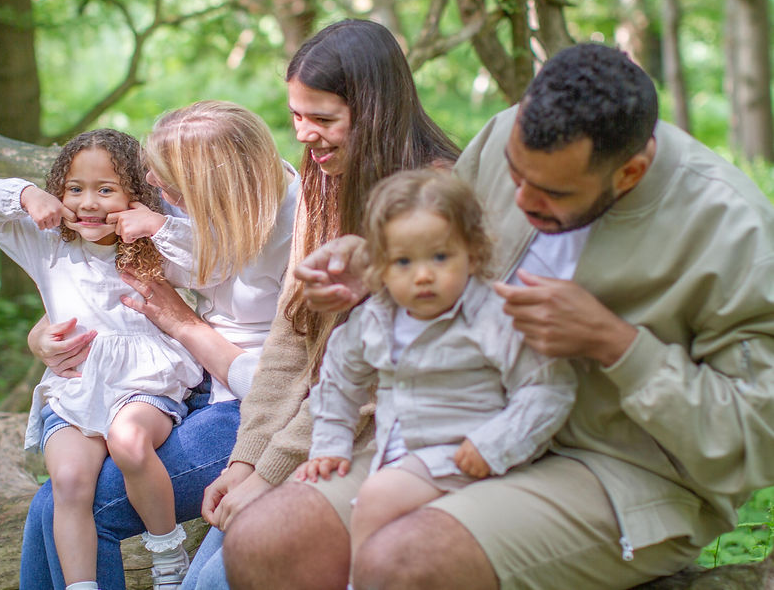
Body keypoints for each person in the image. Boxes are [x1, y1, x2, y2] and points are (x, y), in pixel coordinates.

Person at [228, 42, 774, 590]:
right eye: (516, 175)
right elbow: (448, 251)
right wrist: (372, 268)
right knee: (266, 541)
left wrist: (618, 345)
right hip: (461, 424)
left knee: (407, 561)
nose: (523, 199)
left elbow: (755, 441)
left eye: (553, 193)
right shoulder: (505, 134)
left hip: (621, 473)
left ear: (629, 173)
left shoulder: (733, 231)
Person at [182, 18, 462, 590]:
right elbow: (292, 336)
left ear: (375, 109)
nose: (305, 135)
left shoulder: (430, 195)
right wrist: (246, 461)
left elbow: (367, 377)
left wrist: (272, 474)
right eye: (296, 117)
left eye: (324, 119)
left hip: (392, 435)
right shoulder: (323, 182)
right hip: (313, 429)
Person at [17, 103, 299, 590]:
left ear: (217, 183)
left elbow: (288, 381)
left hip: (252, 408)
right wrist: (43, 334)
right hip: (179, 379)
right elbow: (103, 278)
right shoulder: (188, 209)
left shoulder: (301, 231)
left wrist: (181, 321)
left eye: (168, 186)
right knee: (59, 495)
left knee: (79, 505)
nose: (153, 188)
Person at [295, 168, 576, 568]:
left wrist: (491, 445)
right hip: (399, 452)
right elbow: (340, 382)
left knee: (378, 499)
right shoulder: (376, 318)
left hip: (463, 453)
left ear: (473, 254)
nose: (424, 275)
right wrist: (330, 443)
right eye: (404, 261)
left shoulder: (492, 317)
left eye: (441, 257)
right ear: (380, 268)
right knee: (333, 510)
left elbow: (546, 389)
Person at [0, 129, 204, 590]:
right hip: (75, 388)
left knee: (128, 441)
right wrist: (28, 194)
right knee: (68, 481)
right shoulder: (49, 246)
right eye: (75, 189)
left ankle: (168, 552)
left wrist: (155, 224)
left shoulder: (154, 251)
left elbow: (209, 258)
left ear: (136, 195)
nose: (89, 203)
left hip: (145, 386)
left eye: (106, 190)